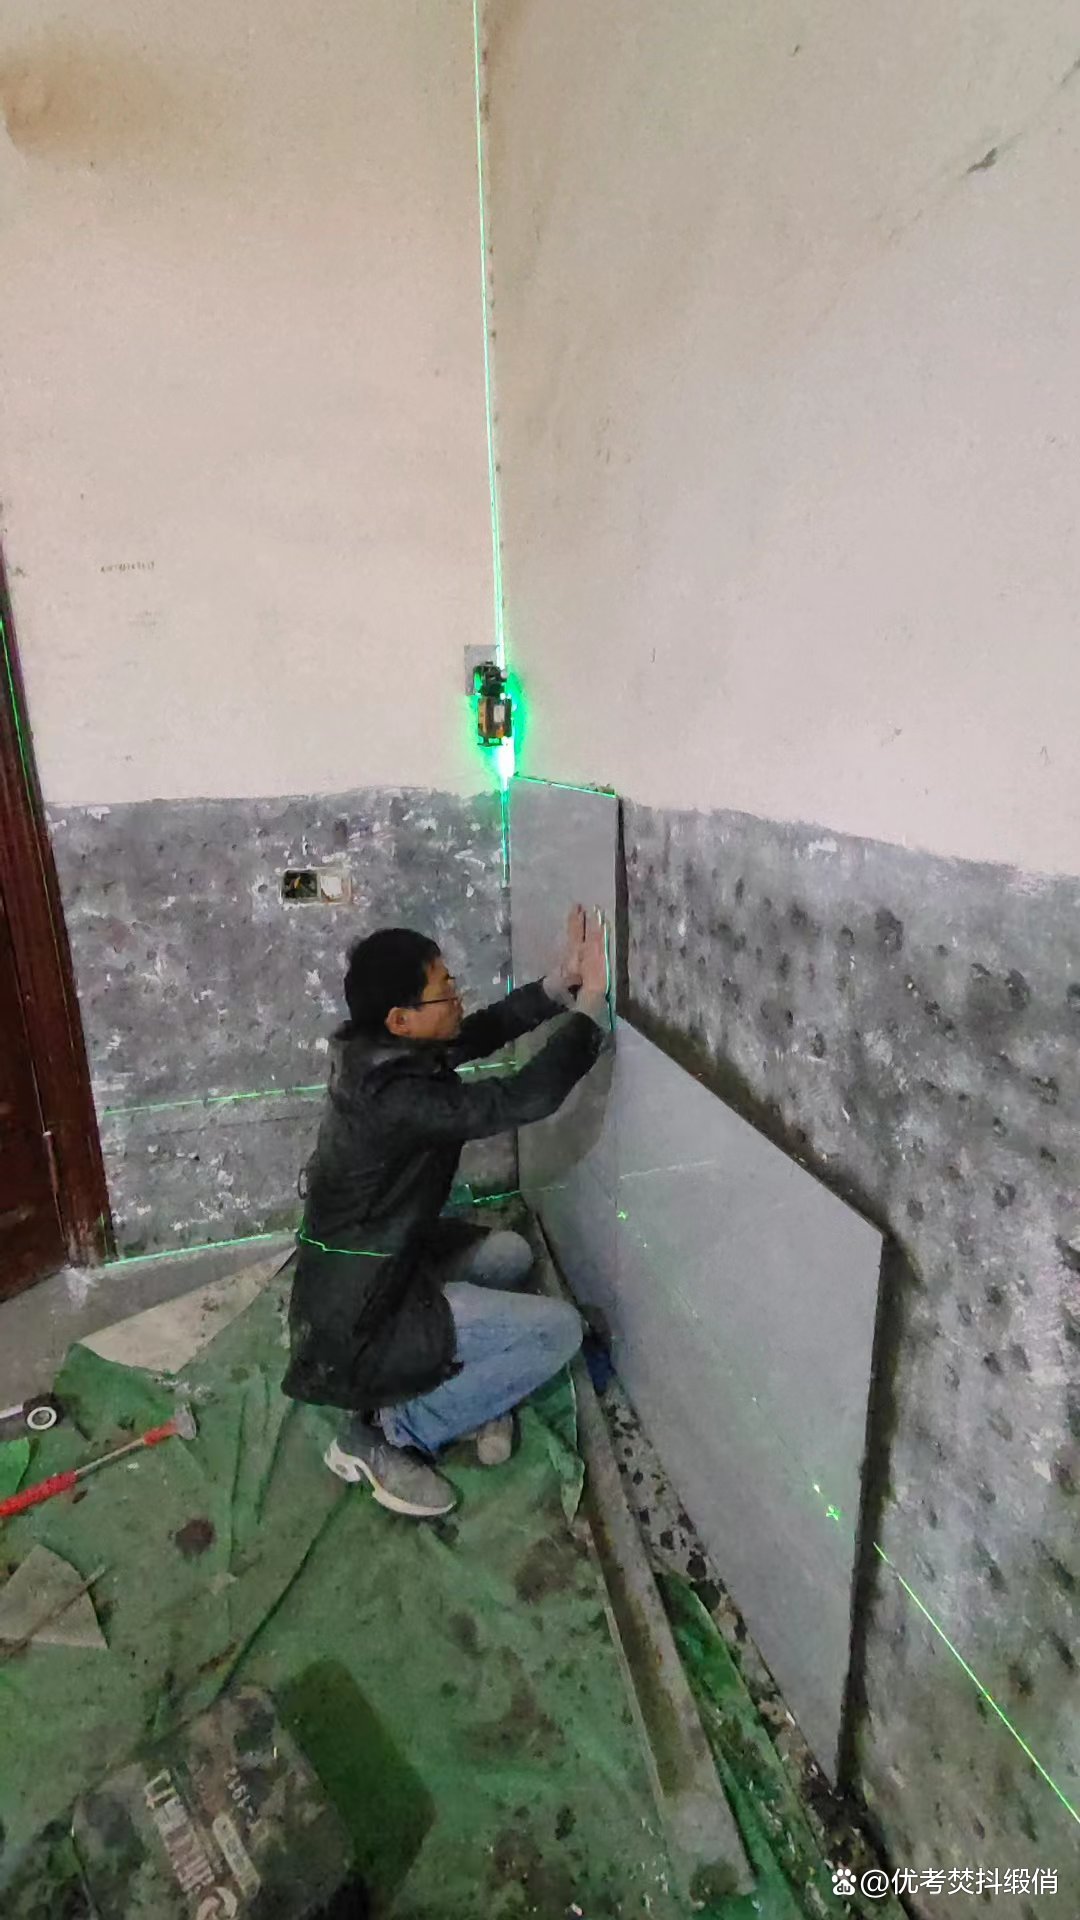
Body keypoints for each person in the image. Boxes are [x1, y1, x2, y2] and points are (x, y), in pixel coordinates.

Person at [282, 905, 612, 1519]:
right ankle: (392, 1431)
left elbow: (476, 1033)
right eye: (444, 990)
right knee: (559, 1330)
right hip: (363, 1316)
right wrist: (591, 1008)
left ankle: (455, 1388)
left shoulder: (382, 1051)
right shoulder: (394, 1097)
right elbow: (523, 1098)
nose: (457, 997)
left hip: (389, 1268)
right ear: (401, 1019)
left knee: (510, 1254)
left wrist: (559, 983)